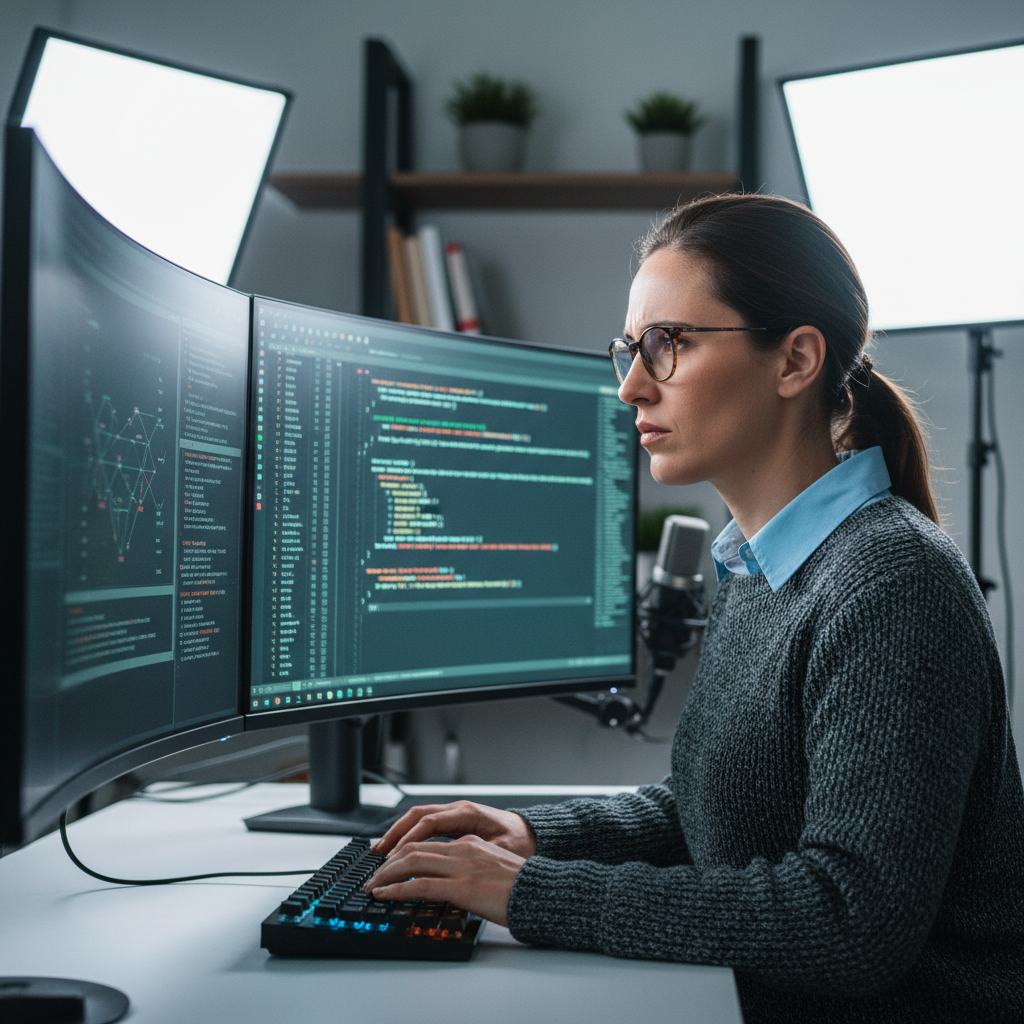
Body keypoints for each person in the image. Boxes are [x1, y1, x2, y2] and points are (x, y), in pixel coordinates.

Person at [364, 194, 1024, 1023]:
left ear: (795, 361)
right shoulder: (762, 562)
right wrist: (534, 835)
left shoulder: (890, 583)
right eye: (630, 350)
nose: (632, 386)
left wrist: (534, 895)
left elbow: (848, 922)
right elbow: (710, 804)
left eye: (668, 344)